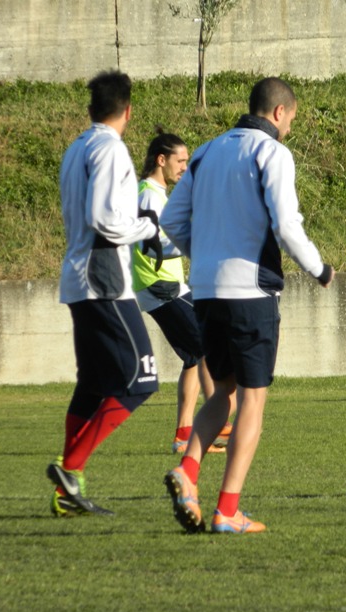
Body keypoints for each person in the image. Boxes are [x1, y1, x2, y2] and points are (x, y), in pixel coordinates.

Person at [161, 77, 334, 534]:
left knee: (223, 394)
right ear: (279, 113)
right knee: (253, 400)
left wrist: (207, 257)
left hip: (205, 290)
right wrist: (320, 270)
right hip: (252, 293)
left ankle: (188, 470)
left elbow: (171, 219)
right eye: (291, 119)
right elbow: (287, 225)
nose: (290, 128)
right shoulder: (272, 152)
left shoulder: (206, 150)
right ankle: (227, 511)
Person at [49, 70, 162, 517]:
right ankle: (70, 467)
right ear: (128, 110)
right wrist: (146, 227)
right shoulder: (111, 149)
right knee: (143, 378)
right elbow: (105, 218)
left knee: (93, 385)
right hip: (104, 280)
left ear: (91, 109)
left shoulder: (76, 147)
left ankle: (66, 494)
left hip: (78, 277)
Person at [133, 129, 236, 455]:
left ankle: (184, 434)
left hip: (170, 285)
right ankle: (217, 425)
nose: (184, 167)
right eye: (180, 160)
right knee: (206, 348)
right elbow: (150, 246)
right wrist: (198, 242)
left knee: (194, 358)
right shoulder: (150, 194)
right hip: (160, 286)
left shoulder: (156, 193)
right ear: (161, 160)